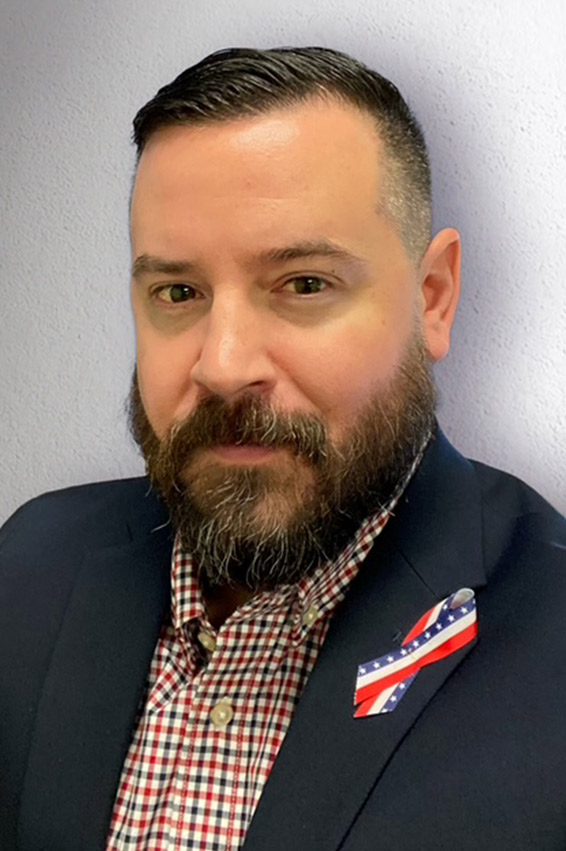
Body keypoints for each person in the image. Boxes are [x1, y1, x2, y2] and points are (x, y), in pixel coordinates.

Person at [1, 46, 565, 851]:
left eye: (303, 284)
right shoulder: (28, 565)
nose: (223, 364)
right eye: (178, 292)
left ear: (433, 298)